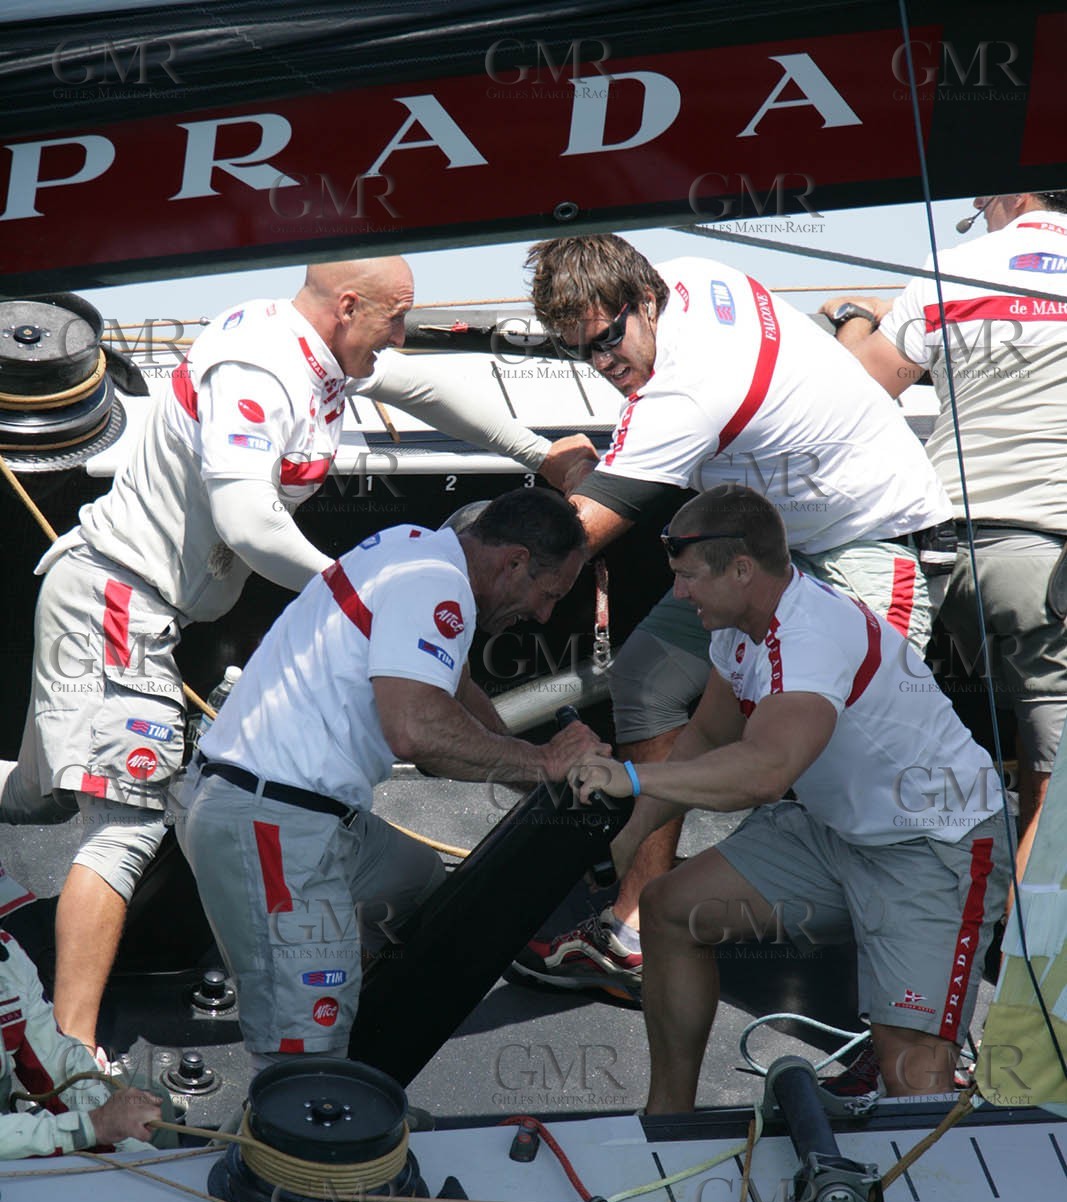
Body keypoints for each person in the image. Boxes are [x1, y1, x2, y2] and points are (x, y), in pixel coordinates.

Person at [0, 256, 597, 1051]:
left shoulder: (322, 361)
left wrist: (536, 452)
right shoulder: (258, 370)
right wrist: (371, 594)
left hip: (156, 611)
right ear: (348, 306)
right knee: (125, 825)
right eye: (394, 318)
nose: (401, 335)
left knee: (39, 798)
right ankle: (72, 1055)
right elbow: (248, 522)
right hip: (116, 595)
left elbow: (421, 388)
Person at [510, 234, 954, 1000]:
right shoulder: (686, 277)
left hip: (872, 543)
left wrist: (549, 488)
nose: (604, 364)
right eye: (582, 352)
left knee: (852, 766)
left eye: (610, 340)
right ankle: (635, 928)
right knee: (649, 676)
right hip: (764, 546)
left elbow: (572, 541)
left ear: (642, 300)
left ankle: (900, 1003)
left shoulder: (686, 390)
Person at [568, 487, 1010, 1112]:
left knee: (911, 1069)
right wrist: (629, 837)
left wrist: (635, 780)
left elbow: (765, 774)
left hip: (936, 844)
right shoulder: (738, 624)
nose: (679, 593)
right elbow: (708, 736)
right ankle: (667, 1121)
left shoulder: (811, 634)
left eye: (689, 578)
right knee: (669, 909)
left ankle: (927, 1193)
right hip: (836, 830)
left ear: (742, 569)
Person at [173, 489, 606, 1060]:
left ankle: (355, 1049)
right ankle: (325, 1081)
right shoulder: (437, 585)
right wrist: (547, 762)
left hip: (281, 806)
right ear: (516, 561)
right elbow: (416, 732)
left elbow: (456, 685)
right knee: (304, 1058)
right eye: (548, 595)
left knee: (424, 889)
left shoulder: (413, 547)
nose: (545, 615)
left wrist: (538, 777)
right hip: (270, 827)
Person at [820, 188, 1067, 884]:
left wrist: (852, 319)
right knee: (1055, 788)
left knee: (883, 747)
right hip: (1047, 563)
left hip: (936, 551)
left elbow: (859, 390)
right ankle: (1026, 970)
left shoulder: (950, 266)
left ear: (1013, 193)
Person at [0, 925, 160, 1158]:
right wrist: (91, 1127)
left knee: (156, 1101)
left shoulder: (7, 957)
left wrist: (129, 1142)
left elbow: (56, 1067)